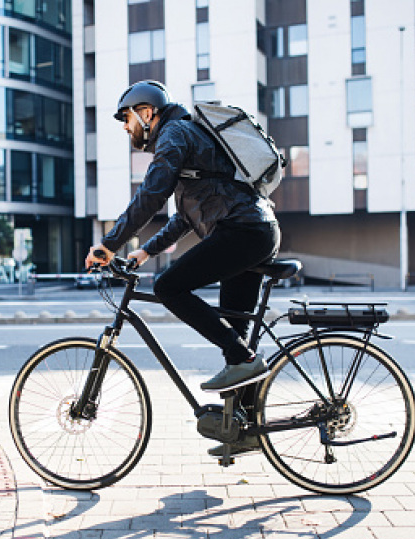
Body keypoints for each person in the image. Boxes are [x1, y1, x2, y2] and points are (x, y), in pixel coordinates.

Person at [84, 80, 281, 397]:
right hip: (255, 230)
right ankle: (243, 428)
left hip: (242, 232)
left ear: (147, 113)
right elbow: (186, 216)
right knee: (234, 337)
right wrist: (145, 252)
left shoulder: (174, 135)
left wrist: (108, 245)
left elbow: (151, 196)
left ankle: (242, 359)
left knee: (168, 287)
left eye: (127, 118)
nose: (125, 128)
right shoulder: (189, 135)